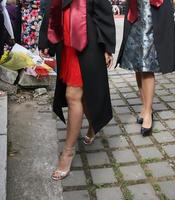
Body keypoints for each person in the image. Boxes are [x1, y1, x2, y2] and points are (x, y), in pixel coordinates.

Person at [38, 0, 116, 181]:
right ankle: (93, 124)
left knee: (73, 95)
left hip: (88, 41)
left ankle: (68, 152)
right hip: (65, 44)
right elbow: (52, 7)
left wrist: (106, 46)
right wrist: (45, 40)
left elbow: (103, 12)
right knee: (83, 96)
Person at [117, 0, 175, 137]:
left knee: (147, 64)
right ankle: (145, 106)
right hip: (136, 11)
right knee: (137, 63)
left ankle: (148, 112)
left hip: (153, 12)